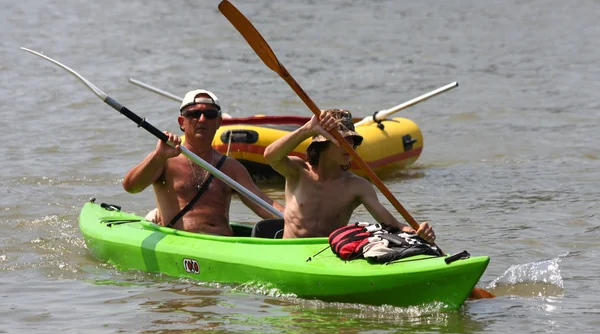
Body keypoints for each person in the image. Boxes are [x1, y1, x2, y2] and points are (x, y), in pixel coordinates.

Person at [122, 89, 284, 236]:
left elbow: (264, 204)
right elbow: (131, 187)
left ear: (219, 122)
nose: (202, 119)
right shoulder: (164, 159)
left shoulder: (231, 167)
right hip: (181, 243)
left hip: (224, 242)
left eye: (210, 114)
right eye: (194, 114)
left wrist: (299, 220)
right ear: (181, 122)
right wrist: (158, 156)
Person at [263, 109, 436, 241]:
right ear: (322, 143)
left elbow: (392, 224)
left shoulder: (357, 186)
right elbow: (270, 155)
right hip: (288, 253)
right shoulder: (298, 171)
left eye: (353, 140)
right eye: (344, 140)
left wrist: (418, 233)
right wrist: (307, 129)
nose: (350, 146)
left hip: (324, 257)